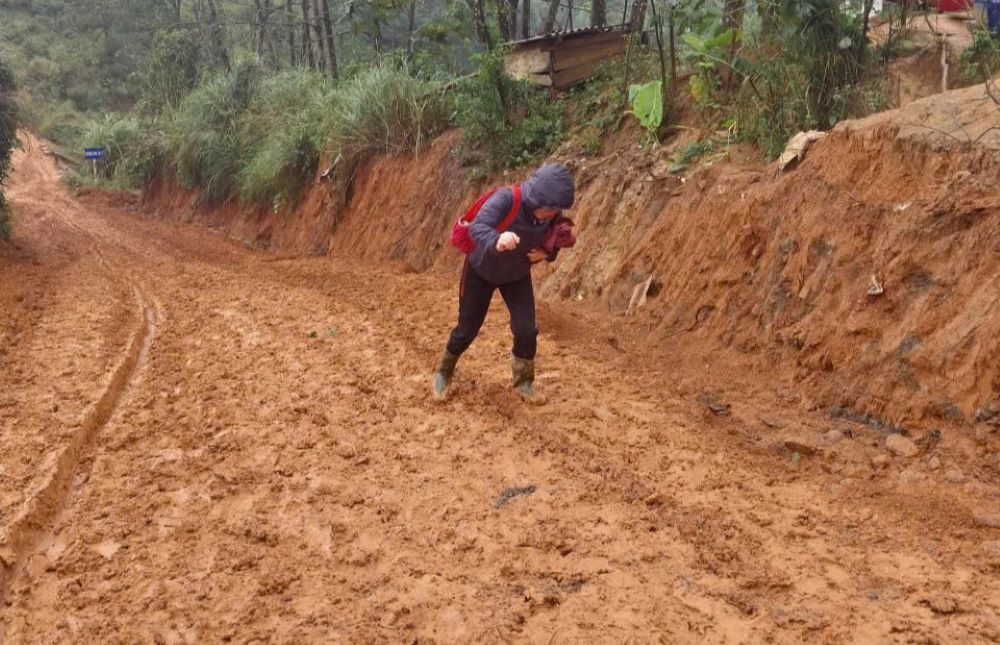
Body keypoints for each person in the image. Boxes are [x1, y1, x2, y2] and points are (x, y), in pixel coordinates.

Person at [433, 163, 576, 403]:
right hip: (481, 269)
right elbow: (478, 227)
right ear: (538, 199)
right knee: (466, 330)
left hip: (516, 274)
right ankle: (443, 372)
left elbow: (556, 238)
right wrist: (497, 239)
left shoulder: (550, 214)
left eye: (555, 211)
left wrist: (546, 254)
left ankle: (523, 383)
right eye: (551, 209)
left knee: (526, 329)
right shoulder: (507, 199)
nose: (553, 214)